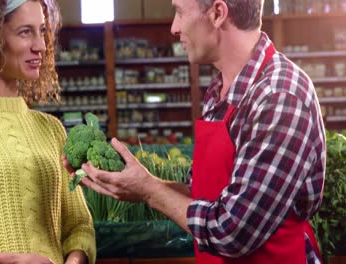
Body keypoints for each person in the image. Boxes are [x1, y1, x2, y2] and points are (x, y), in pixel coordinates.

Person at [69, 0, 325, 263]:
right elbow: (204, 195)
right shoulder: (220, 89)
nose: (174, 27)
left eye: (179, 11)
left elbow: (232, 232)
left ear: (217, 13)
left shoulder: (279, 97)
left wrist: (149, 191)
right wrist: (142, 182)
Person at [0, 0, 96, 263]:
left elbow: (79, 224)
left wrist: (75, 259)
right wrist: (1, 259)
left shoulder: (51, 129)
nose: (41, 46)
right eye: (25, 32)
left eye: (42, 31)